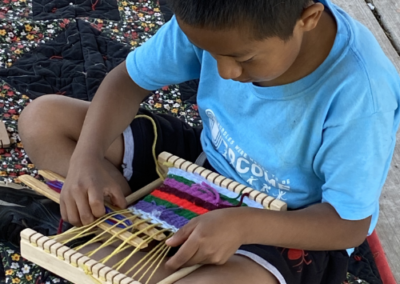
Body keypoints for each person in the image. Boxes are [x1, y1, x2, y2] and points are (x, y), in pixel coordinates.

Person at [18, 0, 400, 283]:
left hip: (286, 221)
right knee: (42, 120)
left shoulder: (362, 95)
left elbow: (349, 225)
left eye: (243, 58)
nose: (224, 71)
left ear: (308, 18)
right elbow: (126, 81)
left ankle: (141, 247)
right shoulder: (214, 16)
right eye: (209, 52)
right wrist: (86, 161)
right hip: (201, 166)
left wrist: (241, 225)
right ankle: (126, 216)